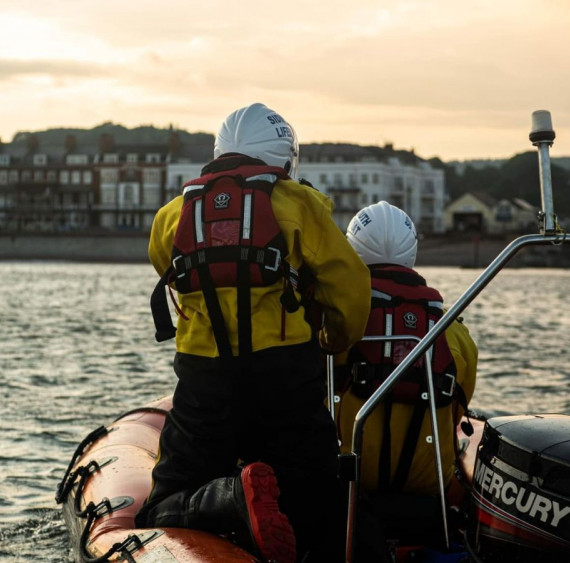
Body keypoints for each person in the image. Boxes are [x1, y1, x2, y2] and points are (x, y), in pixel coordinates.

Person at [138, 102, 371, 563]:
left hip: (203, 383)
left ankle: (227, 500)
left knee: (160, 509)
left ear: (218, 153)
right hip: (285, 380)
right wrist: (332, 343)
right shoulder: (300, 203)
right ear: (284, 160)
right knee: (322, 498)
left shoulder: (172, 215)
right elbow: (351, 291)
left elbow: (165, 265)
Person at [335, 201, 478, 556]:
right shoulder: (454, 333)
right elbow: (458, 414)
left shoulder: (332, 324)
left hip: (346, 496)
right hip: (429, 501)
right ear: (412, 253)